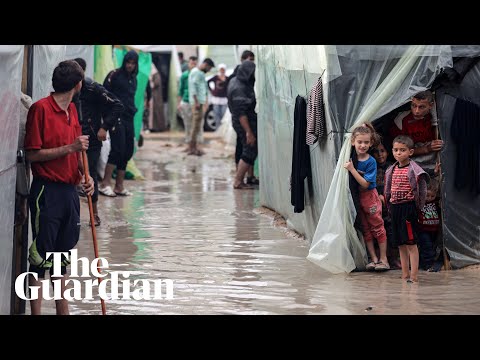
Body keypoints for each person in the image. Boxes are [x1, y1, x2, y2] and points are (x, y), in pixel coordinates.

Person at [24, 60, 94, 315]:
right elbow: (32, 155)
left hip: (68, 193)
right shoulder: (40, 109)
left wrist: (86, 177)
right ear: (77, 85)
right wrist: (70, 148)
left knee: (62, 258)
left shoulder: (73, 111)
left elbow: (77, 155)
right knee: (40, 258)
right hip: (46, 191)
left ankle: (62, 311)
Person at [72, 57, 124, 226]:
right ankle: (71, 215)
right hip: (71, 139)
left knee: (90, 175)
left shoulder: (93, 88)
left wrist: (104, 126)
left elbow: (117, 105)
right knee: (71, 176)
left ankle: (94, 214)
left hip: (91, 139)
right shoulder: (67, 87)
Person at [344, 123, 389, 271]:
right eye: (359, 142)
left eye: (366, 142)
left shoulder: (371, 161)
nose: (362, 145)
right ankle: (373, 259)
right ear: (353, 142)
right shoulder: (351, 157)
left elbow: (364, 184)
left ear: (371, 144)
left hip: (369, 196)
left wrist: (352, 169)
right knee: (365, 229)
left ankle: (384, 259)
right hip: (357, 198)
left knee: (377, 226)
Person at [385, 135, 428, 283]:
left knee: (411, 243)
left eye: (402, 150)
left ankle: (414, 276)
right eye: (396, 150)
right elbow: (388, 190)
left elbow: (422, 191)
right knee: (400, 243)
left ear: (410, 152)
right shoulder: (391, 170)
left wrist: (417, 209)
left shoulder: (414, 170)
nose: (398, 153)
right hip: (395, 208)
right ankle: (405, 274)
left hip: (408, 209)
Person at [100, 50, 139, 197]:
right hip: (116, 117)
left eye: (133, 63)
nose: (130, 66)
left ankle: (119, 186)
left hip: (129, 117)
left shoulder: (133, 79)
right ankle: (104, 184)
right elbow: (104, 96)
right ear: (124, 62)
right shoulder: (114, 75)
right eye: (128, 62)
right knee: (117, 149)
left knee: (128, 151)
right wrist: (106, 120)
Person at [388, 90, 443, 176]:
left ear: (430, 105)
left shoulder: (438, 117)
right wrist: (427, 149)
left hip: (435, 164)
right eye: (414, 106)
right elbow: (398, 151)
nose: (416, 111)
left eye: (421, 107)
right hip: (410, 166)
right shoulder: (401, 120)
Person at [228, 50, 258, 185]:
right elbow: (241, 113)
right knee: (249, 148)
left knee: (247, 148)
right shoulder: (239, 87)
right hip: (243, 121)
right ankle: (238, 180)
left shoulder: (236, 80)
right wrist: (249, 132)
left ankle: (245, 178)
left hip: (243, 119)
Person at [372, 142, 400, 269]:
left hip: (391, 204)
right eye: (376, 152)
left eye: (382, 151)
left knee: (392, 230)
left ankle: (394, 258)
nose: (380, 154)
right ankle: (380, 258)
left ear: (387, 152)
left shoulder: (392, 167)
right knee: (378, 230)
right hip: (376, 203)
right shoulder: (372, 166)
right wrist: (378, 194)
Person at [188, 57, 215, 156]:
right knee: (195, 126)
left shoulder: (200, 73)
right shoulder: (196, 73)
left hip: (199, 102)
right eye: (209, 68)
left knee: (197, 126)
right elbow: (193, 87)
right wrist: (196, 102)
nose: (209, 70)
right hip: (197, 103)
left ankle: (194, 147)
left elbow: (203, 88)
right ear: (205, 65)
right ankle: (192, 148)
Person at [417, 177, 441, 271]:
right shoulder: (419, 202)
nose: (429, 198)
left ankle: (423, 264)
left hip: (434, 230)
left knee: (431, 247)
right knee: (427, 247)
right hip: (423, 229)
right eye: (427, 195)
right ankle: (428, 266)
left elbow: (438, 181)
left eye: (432, 196)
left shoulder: (436, 202)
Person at [177, 56, 200, 145]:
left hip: (196, 102)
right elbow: (180, 90)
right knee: (187, 122)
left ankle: (195, 139)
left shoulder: (199, 75)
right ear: (188, 64)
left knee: (196, 122)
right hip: (186, 101)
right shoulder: (184, 75)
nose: (193, 65)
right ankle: (188, 139)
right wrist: (179, 103)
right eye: (191, 63)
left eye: (195, 63)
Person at [207, 63, 228, 129]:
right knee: (216, 115)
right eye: (221, 69)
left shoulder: (227, 78)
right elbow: (208, 82)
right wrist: (211, 90)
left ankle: (222, 129)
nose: (222, 71)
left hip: (224, 99)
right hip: (216, 99)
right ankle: (218, 129)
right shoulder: (216, 77)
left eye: (223, 69)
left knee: (223, 115)